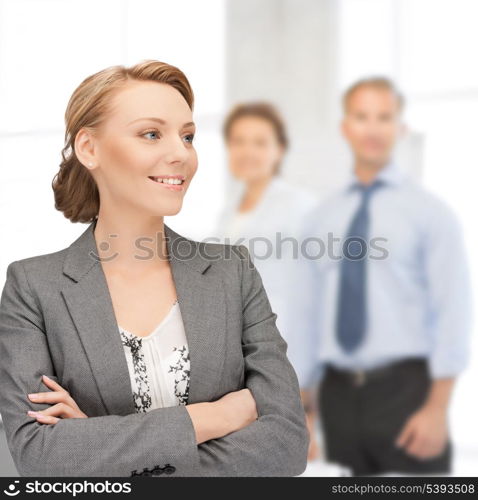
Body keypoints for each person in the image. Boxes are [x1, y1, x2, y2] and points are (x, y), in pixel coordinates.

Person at [0, 60, 309, 477]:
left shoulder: (231, 273)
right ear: (89, 149)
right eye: (151, 134)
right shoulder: (33, 288)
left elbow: (286, 446)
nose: (181, 153)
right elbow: (40, 457)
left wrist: (99, 443)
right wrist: (216, 417)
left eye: (188, 136)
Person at [297, 76, 472, 476]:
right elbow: (309, 318)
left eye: (384, 117)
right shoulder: (320, 219)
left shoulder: (431, 214)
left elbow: (453, 314)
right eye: (361, 116)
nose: (373, 128)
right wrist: (304, 409)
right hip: (339, 395)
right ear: (345, 128)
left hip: (407, 392)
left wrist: (437, 410)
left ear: (400, 128)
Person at [214, 104, 318, 453]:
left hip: (284, 349)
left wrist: (307, 387)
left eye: (260, 142)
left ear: (279, 150)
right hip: (235, 352)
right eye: (239, 141)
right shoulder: (231, 208)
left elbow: (316, 298)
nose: (248, 151)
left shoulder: (301, 208)